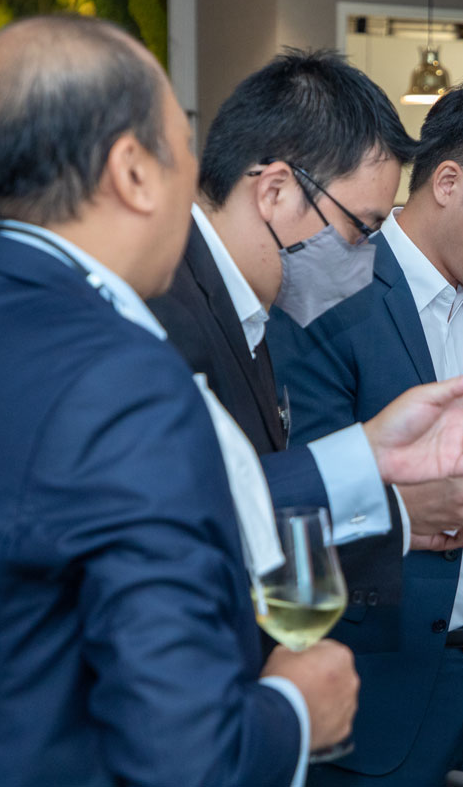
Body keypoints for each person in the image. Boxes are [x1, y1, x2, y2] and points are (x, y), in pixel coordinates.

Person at [0, 15, 463, 787]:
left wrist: (363, 456)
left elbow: (115, 521)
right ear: (132, 171)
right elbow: (184, 748)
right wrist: (294, 711)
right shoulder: (118, 365)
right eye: (183, 155)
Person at [267, 78, 463, 786]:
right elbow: (294, 498)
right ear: (447, 182)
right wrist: (444, 480)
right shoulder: (331, 296)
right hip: (381, 677)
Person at [150, 50, 433, 619]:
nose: (364, 260)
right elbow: (195, 518)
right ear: (275, 191)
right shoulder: (166, 310)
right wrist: (371, 452)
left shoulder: (244, 305)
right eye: (360, 229)